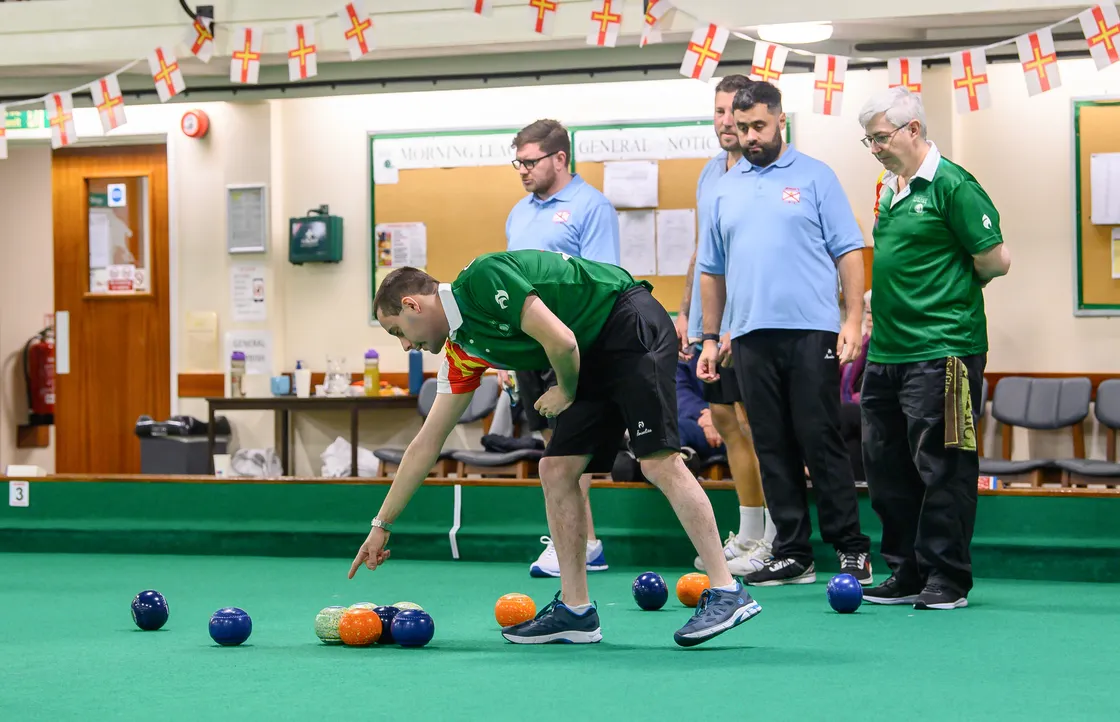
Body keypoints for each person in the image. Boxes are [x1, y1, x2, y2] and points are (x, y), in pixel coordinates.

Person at [351, 250, 762, 646]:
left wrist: (564, 390)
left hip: (626, 320)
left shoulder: (481, 278)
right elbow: (426, 444)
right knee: (557, 469)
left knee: (658, 462)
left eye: (398, 332)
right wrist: (380, 525)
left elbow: (561, 341)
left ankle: (727, 591)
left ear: (412, 305)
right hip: (592, 352)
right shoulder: (462, 352)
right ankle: (576, 611)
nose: (405, 346)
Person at [696, 80, 873, 587]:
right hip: (748, 336)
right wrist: (711, 336)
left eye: (758, 126)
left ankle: (850, 547)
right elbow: (712, 270)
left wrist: (853, 321)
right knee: (770, 443)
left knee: (819, 440)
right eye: (741, 125)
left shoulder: (816, 177)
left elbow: (849, 251)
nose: (749, 135)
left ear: (780, 121)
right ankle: (793, 551)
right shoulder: (723, 188)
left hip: (811, 331)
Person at [856, 86, 1010, 610]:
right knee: (886, 468)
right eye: (869, 140)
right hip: (886, 353)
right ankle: (907, 572)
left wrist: (947, 296)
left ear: (914, 130)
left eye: (881, 138)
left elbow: (995, 260)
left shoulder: (953, 184)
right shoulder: (888, 186)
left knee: (945, 466)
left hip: (945, 351)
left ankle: (948, 578)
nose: (874, 148)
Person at [502, 118, 620, 579]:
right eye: (518, 162)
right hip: (530, 347)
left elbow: (603, 281)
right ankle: (584, 541)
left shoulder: (593, 207)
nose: (523, 171)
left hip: (573, 342)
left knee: (573, 445)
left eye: (530, 162)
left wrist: (580, 345)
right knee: (551, 442)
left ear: (560, 158)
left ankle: (581, 541)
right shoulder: (518, 211)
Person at [674, 74, 772, 576]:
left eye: (734, 113)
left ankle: (775, 535)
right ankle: (750, 531)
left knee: (757, 425)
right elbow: (704, 252)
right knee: (728, 422)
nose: (726, 122)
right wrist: (688, 315)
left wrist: (732, 324)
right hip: (709, 325)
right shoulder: (711, 173)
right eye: (718, 113)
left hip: (752, 322)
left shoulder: (764, 173)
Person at [838, 290, 872, 481]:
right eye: (868, 312)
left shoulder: (886, 345)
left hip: (876, 407)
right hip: (856, 409)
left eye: (875, 312)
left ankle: (811, 463)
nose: (870, 318)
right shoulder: (859, 343)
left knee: (845, 414)